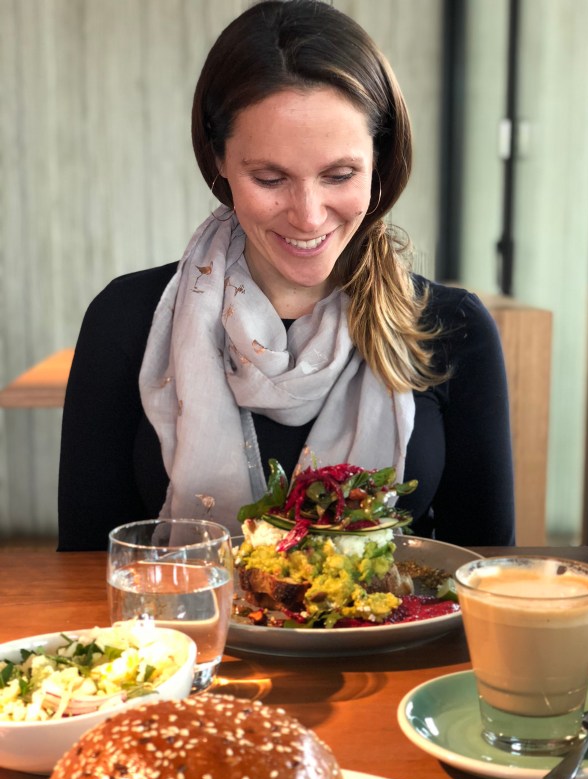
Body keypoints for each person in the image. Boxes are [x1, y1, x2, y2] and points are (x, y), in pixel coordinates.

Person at [58, 0, 515, 550]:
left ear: (380, 158)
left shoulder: (451, 328)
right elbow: (84, 570)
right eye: (270, 178)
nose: (308, 214)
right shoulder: (126, 318)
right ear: (219, 159)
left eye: (339, 174)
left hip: (390, 639)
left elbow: (482, 573)